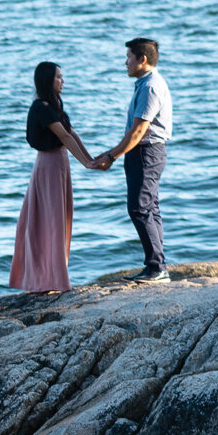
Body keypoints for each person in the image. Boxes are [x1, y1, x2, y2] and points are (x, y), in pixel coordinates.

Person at [10, 61, 105, 293]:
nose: (62, 81)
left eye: (62, 77)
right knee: (49, 222)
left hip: (59, 163)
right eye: (58, 78)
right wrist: (87, 164)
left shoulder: (55, 105)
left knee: (59, 220)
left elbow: (71, 133)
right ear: (46, 81)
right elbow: (64, 136)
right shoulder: (41, 107)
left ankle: (51, 277)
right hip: (49, 165)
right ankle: (49, 280)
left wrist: (91, 159)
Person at [93, 37, 173, 281]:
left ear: (143, 59)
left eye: (129, 57)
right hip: (145, 152)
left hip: (146, 152)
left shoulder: (150, 86)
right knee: (149, 207)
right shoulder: (146, 83)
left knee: (139, 208)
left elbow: (139, 131)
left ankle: (157, 268)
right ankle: (156, 266)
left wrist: (112, 155)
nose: (125, 62)